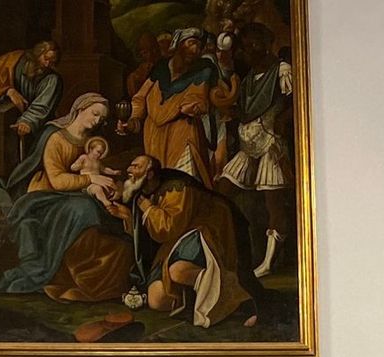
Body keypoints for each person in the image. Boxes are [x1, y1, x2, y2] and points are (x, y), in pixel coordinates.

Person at [0, 93, 131, 301]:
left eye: (101, 119)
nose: (96, 121)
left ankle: (91, 276)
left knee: (99, 209)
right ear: (79, 109)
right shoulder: (56, 137)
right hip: (46, 195)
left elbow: (100, 172)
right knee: (83, 208)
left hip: (75, 194)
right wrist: (91, 178)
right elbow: (56, 181)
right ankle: (63, 270)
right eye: (94, 114)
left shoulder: (93, 144)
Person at [109, 154, 260, 328]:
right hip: (178, 240)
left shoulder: (176, 187)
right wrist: (126, 214)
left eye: (136, 166)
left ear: (149, 174)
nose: (129, 170)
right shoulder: (141, 193)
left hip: (207, 231)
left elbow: (168, 228)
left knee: (178, 271)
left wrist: (149, 209)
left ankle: (237, 298)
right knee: (156, 300)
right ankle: (196, 295)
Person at [217, 22, 294, 278]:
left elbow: (294, 102)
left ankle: (269, 261)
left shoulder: (282, 70)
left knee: (273, 202)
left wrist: (283, 119)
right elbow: (246, 110)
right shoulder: (249, 78)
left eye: (254, 43)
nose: (250, 49)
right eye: (246, 45)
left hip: (271, 144)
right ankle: (226, 250)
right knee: (222, 191)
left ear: (265, 44)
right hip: (248, 145)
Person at [121, 28, 234, 184]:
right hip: (153, 135)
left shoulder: (202, 70)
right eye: (191, 43)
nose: (195, 49)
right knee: (157, 184)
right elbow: (140, 98)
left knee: (183, 184)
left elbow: (199, 97)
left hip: (183, 132)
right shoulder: (160, 68)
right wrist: (134, 119)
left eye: (199, 46)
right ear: (178, 44)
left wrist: (193, 108)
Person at [0, 39, 63, 136]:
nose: (47, 64)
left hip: (37, 126)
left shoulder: (52, 80)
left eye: (52, 62)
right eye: (46, 58)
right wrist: (8, 91)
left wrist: (27, 121)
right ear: (38, 54)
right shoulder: (14, 61)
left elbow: (42, 106)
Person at [69, 136, 119, 207]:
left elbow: (104, 169)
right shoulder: (84, 157)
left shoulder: (98, 162)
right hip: (88, 183)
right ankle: (105, 201)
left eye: (101, 153)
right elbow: (73, 167)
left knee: (110, 182)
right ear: (90, 149)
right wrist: (77, 166)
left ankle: (112, 196)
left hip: (99, 180)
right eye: (98, 152)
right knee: (97, 188)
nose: (99, 155)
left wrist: (113, 172)